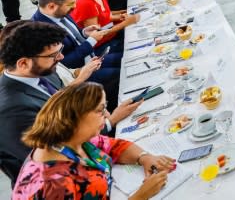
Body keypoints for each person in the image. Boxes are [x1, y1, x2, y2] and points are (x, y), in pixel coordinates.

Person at [0, 22, 141, 183]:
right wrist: (110, 121)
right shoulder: (11, 112)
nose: (60, 58)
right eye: (54, 55)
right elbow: (58, 157)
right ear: (23, 63)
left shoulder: (40, 71)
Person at [13, 82, 173, 199]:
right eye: (100, 110)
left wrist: (144, 157)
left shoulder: (72, 139)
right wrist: (140, 196)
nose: (107, 115)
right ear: (75, 119)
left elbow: (115, 146)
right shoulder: (54, 184)